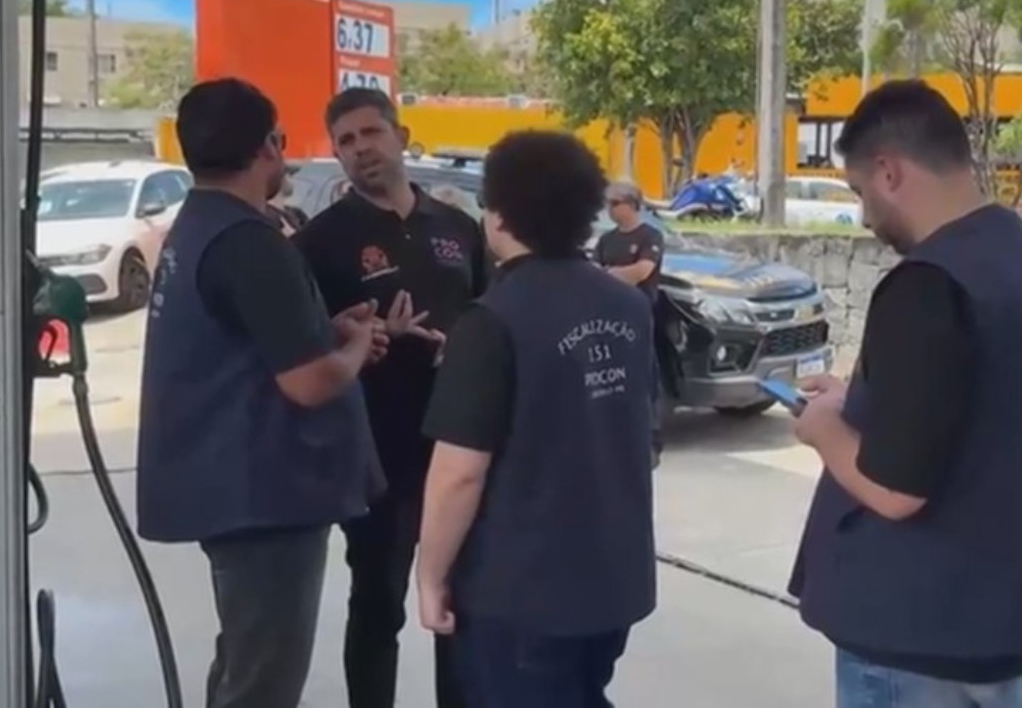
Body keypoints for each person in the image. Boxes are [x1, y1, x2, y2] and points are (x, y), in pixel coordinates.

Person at [787, 80, 1022, 708]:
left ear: (889, 171)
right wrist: (863, 397)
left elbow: (896, 491)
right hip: (1006, 623)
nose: (865, 218)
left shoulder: (929, 281)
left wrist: (823, 428)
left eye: (860, 193)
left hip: (919, 634)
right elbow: (987, 399)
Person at [135, 78, 386, 708]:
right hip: (265, 497)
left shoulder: (198, 226)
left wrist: (322, 329)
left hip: (232, 489)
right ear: (268, 146)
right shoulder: (248, 242)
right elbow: (308, 383)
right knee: (263, 682)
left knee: (243, 663)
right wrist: (355, 347)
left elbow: (240, 339)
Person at [414, 130, 657, 707]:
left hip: (521, 594)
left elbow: (459, 473)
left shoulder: (492, 320)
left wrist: (430, 575)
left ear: (498, 215)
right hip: (612, 580)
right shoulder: (627, 305)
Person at [292, 88, 486, 708]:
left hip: (459, 449)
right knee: (378, 607)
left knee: (460, 604)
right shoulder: (320, 242)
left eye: (370, 133)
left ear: (401, 137)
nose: (360, 149)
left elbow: (490, 317)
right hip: (377, 458)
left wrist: (465, 347)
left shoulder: (458, 228)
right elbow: (300, 346)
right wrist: (360, 336)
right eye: (346, 141)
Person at [594, 180, 667, 466]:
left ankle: (650, 442)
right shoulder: (606, 240)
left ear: (631, 204)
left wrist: (610, 273)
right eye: (607, 204)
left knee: (644, 377)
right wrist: (613, 274)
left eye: (615, 204)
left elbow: (642, 271)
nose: (610, 210)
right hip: (608, 317)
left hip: (638, 315)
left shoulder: (650, 236)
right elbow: (594, 272)